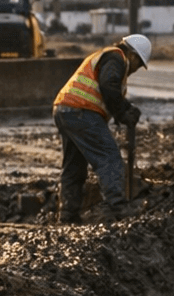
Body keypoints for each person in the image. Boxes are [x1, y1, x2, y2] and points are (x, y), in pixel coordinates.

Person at [52, 34, 150, 224]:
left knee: (74, 166)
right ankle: (118, 207)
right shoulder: (116, 58)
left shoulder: (105, 56)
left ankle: (68, 215)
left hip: (64, 110)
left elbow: (107, 89)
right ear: (133, 55)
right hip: (82, 111)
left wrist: (125, 109)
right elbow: (109, 86)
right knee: (109, 157)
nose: (135, 70)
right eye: (138, 65)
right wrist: (123, 112)